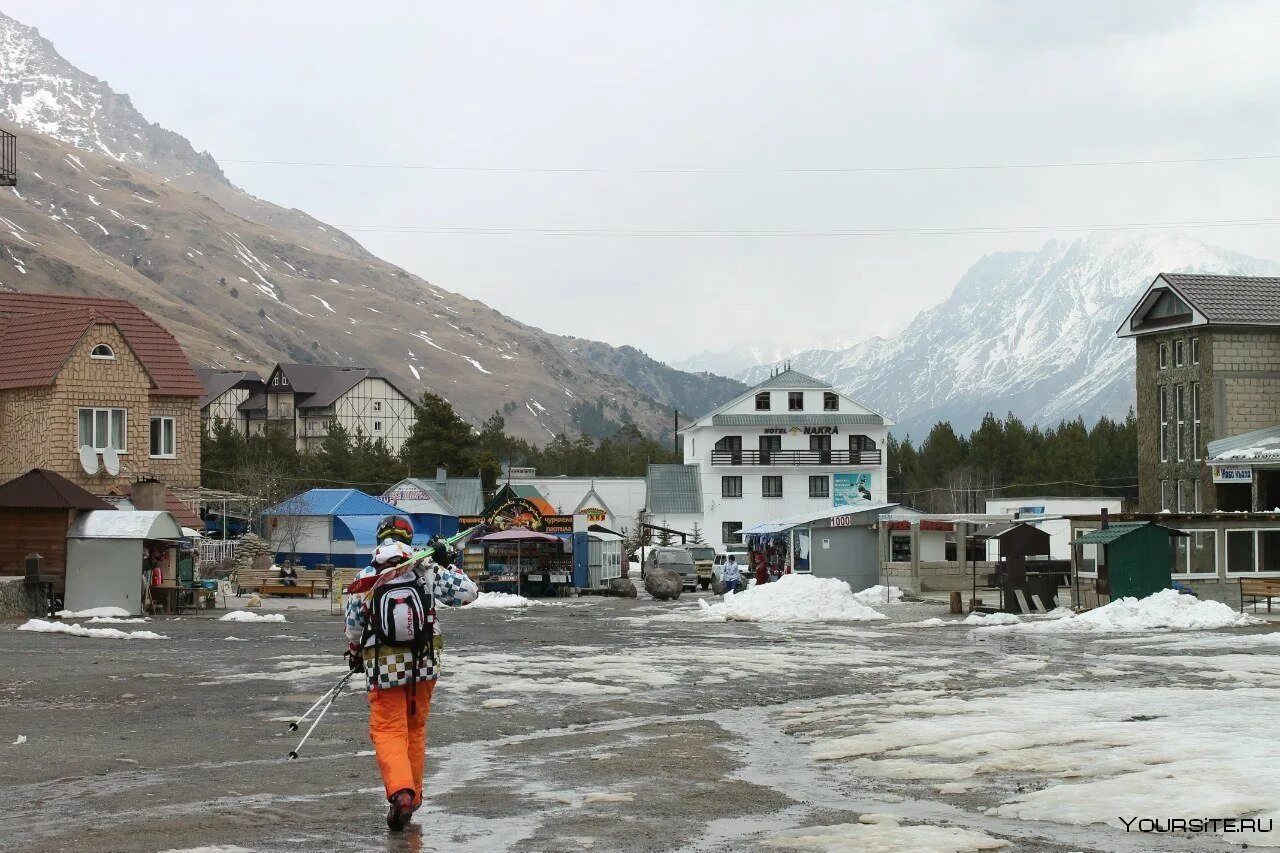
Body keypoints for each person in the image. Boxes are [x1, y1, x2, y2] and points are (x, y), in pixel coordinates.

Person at [345, 515, 478, 831]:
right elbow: (468, 593)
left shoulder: (369, 576)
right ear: (409, 538)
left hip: (384, 665)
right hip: (425, 662)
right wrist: (449, 562)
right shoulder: (425, 569)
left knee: (389, 729)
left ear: (380, 540)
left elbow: (354, 626)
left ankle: (401, 793)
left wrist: (354, 654)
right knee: (415, 728)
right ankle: (413, 797)